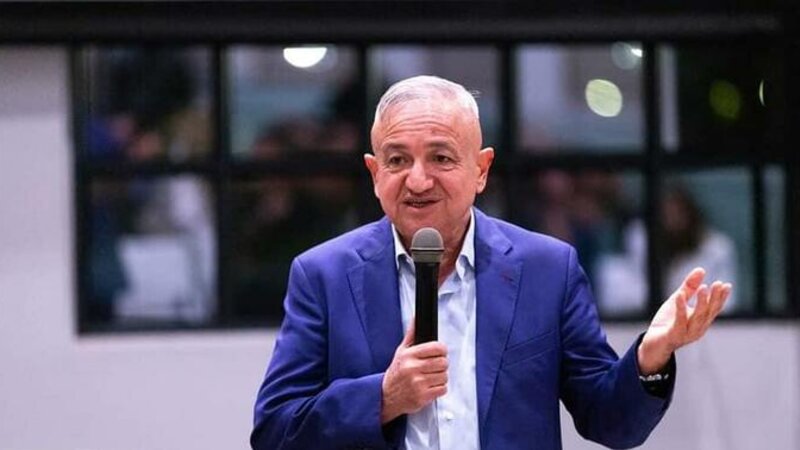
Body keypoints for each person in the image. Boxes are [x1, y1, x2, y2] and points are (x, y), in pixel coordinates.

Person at [250, 76, 732, 450]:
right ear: (375, 174)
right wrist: (383, 398)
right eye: (397, 161)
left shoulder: (547, 269)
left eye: (441, 158)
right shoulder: (323, 275)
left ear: (481, 170)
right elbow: (274, 431)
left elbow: (611, 421)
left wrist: (651, 357)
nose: (417, 181)